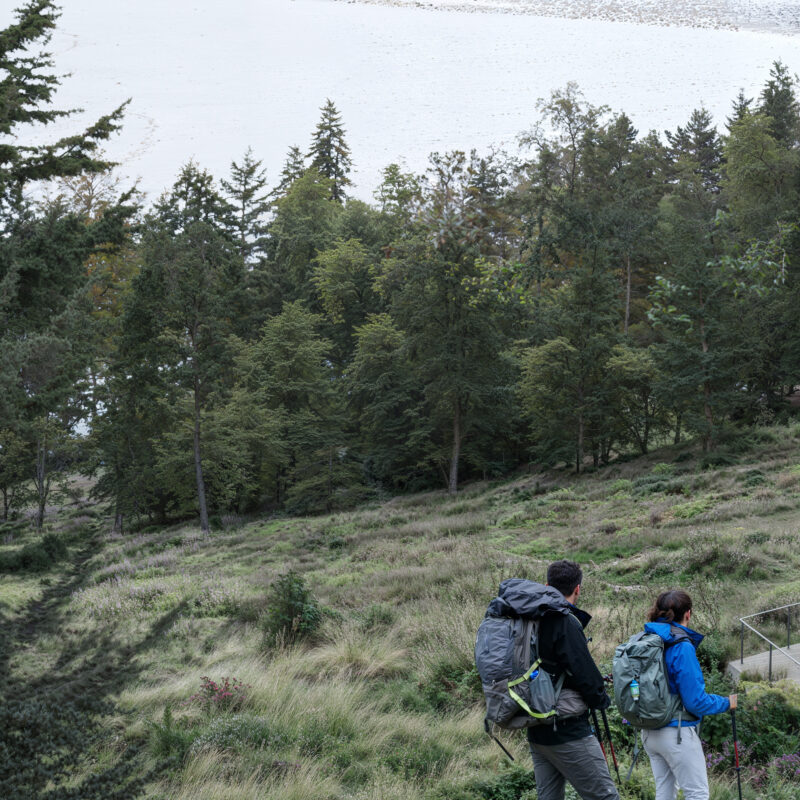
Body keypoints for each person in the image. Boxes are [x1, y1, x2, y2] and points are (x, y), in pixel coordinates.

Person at [527, 559, 619, 800]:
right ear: (578, 588)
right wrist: (601, 699)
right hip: (568, 730)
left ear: (546, 585)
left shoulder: (529, 620)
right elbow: (586, 675)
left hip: (536, 729)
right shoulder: (565, 622)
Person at [641, 589, 737, 800]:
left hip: (648, 731)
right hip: (676, 732)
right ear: (688, 614)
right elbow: (696, 702)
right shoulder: (681, 646)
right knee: (697, 794)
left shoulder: (647, 639)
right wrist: (725, 703)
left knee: (664, 793)